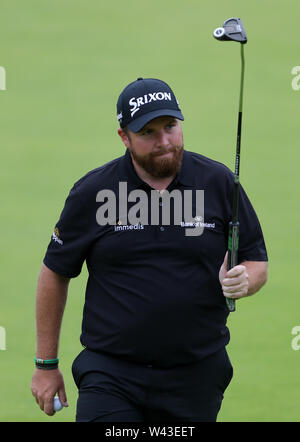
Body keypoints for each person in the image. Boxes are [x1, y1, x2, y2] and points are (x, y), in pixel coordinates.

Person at [31, 78, 268, 422]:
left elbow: (256, 260)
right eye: (148, 133)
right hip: (111, 373)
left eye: (170, 127)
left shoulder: (218, 183)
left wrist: (245, 280)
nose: (164, 142)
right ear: (124, 137)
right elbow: (55, 271)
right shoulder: (94, 191)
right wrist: (45, 365)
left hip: (196, 375)